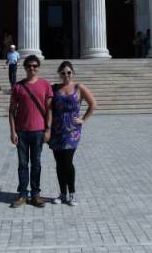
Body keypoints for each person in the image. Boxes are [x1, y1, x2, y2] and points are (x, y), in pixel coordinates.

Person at [49, 61, 96, 206]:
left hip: (72, 131)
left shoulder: (78, 87)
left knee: (67, 161)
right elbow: (49, 108)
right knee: (59, 163)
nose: (66, 75)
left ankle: (72, 193)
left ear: (73, 73)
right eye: (63, 73)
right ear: (59, 74)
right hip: (56, 129)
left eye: (68, 72)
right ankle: (62, 193)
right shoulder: (54, 88)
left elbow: (93, 104)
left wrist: (83, 119)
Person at [8, 55, 52, 208]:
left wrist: (48, 129)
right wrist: (12, 131)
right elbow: (12, 111)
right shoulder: (18, 87)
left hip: (38, 131)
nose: (32, 68)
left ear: (38, 67)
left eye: (34, 66)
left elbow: (49, 109)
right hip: (21, 131)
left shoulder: (45, 85)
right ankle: (22, 194)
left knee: (36, 164)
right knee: (22, 164)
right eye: (29, 66)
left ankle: (35, 194)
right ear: (25, 68)